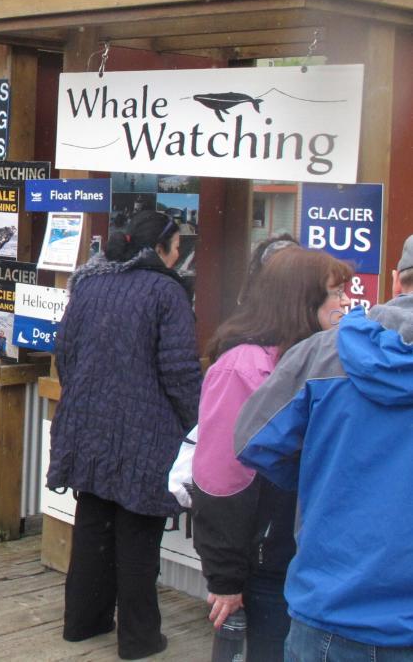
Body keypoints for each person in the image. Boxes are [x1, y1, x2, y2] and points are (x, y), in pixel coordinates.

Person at [236, 235, 413, 660]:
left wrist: (325, 476)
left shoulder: (320, 354)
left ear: (395, 281)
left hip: (329, 605)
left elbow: (253, 441)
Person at [47, 209, 200, 660]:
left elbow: (65, 353)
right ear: (160, 249)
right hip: (146, 432)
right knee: (137, 535)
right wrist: (199, 422)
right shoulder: (167, 293)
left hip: (90, 427)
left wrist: (87, 401)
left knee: (93, 523)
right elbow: (179, 372)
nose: (181, 256)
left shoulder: (88, 284)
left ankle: (83, 623)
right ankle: (139, 639)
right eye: (178, 247)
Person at [191, 247, 350, 660]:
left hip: (313, 562)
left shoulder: (322, 359)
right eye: (335, 292)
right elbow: (219, 480)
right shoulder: (243, 368)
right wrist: (225, 577)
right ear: (302, 299)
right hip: (266, 566)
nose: (346, 301)